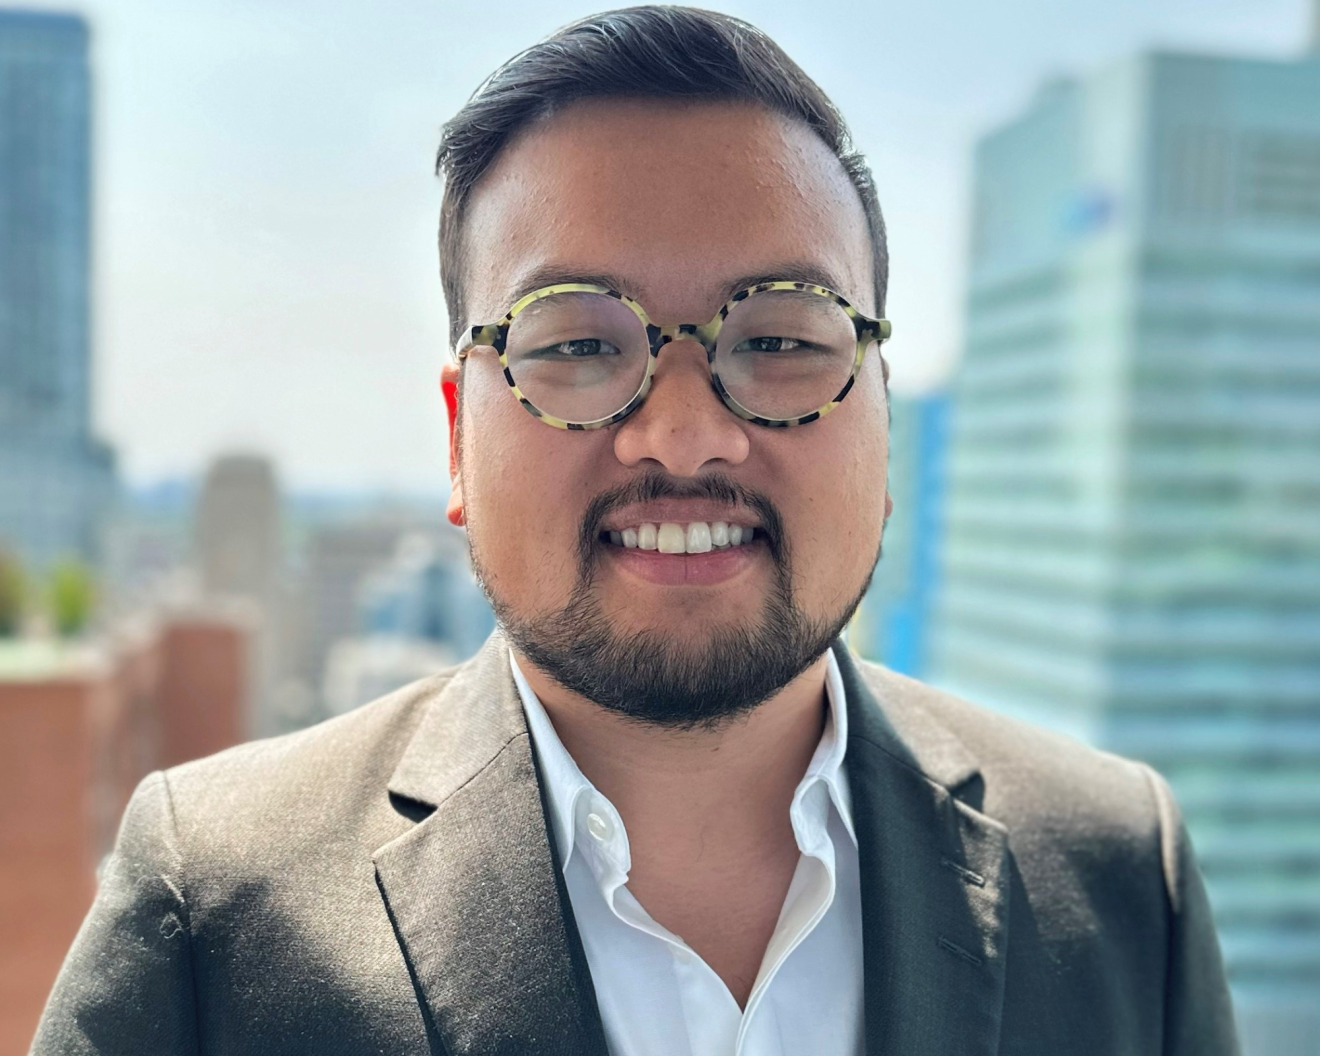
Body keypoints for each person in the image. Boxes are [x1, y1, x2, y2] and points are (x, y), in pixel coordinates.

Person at [32, 7, 1238, 1055]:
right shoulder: (214, 903)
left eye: (778, 339)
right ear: (458, 437)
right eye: (574, 342)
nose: (682, 434)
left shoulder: (1119, 872)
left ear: (882, 417)